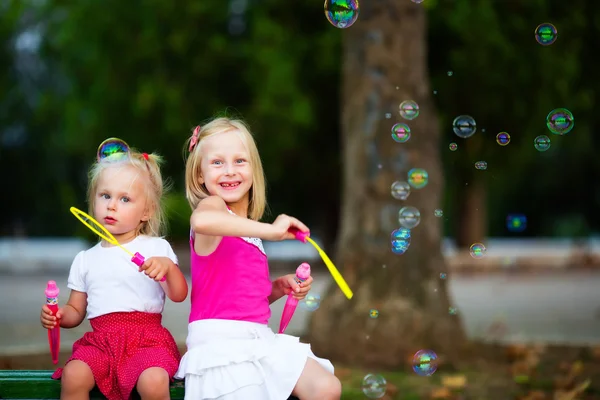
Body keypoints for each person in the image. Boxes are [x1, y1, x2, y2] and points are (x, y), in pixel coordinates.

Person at [175, 118, 342, 400]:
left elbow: (240, 299)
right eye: (217, 163)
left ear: (254, 169)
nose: (230, 171)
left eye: (240, 161)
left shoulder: (248, 231)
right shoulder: (213, 209)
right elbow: (202, 220)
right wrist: (272, 231)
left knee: (327, 387)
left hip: (258, 340)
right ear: (200, 176)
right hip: (221, 347)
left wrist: (278, 287)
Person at [40, 138, 189, 400]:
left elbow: (178, 294)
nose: (111, 205)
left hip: (147, 342)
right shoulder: (86, 259)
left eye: (125, 199)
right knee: (74, 374)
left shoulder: (156, 248)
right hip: (102, 343)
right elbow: (77, 310)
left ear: (147, 211)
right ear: (93, 199)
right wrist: (60, 315)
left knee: (154, 381)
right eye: (105, 196)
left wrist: (166, 268)